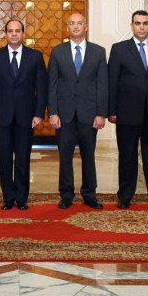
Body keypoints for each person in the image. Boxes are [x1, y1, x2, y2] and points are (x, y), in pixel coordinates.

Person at [108, 10, 148, 209]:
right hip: (127, 113)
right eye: (138, 23)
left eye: (145, 23)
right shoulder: (119, 49)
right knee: (127, 156)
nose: (142, 27)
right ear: (132, 26)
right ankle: (125, 196)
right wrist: (111, 110)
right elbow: (112, 81)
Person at [0, 19, 47, 210]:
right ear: (5, 34)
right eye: (10, 31)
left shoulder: (35, 57)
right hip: (1, 116)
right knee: (3, 158)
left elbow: (41, 88)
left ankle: (21, 197)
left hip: (26, 116)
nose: (14, 34)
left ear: (23, 33)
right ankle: (8, 197)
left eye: (17, 31)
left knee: (23, 158)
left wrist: (38, 113)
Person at [48, 13, 108, 210]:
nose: (76, 26)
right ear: (67, 28)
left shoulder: (98, 52)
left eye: (79, 23)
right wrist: (53, 113)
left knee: (88, 156)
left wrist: (101, 113)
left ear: (86, 27)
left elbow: (102, 85)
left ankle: (89, 194)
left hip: (89, 114)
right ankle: (66, 195)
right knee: (65, 156)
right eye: (72, 24)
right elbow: (52, 85)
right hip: (64, 114)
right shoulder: (57, 52)